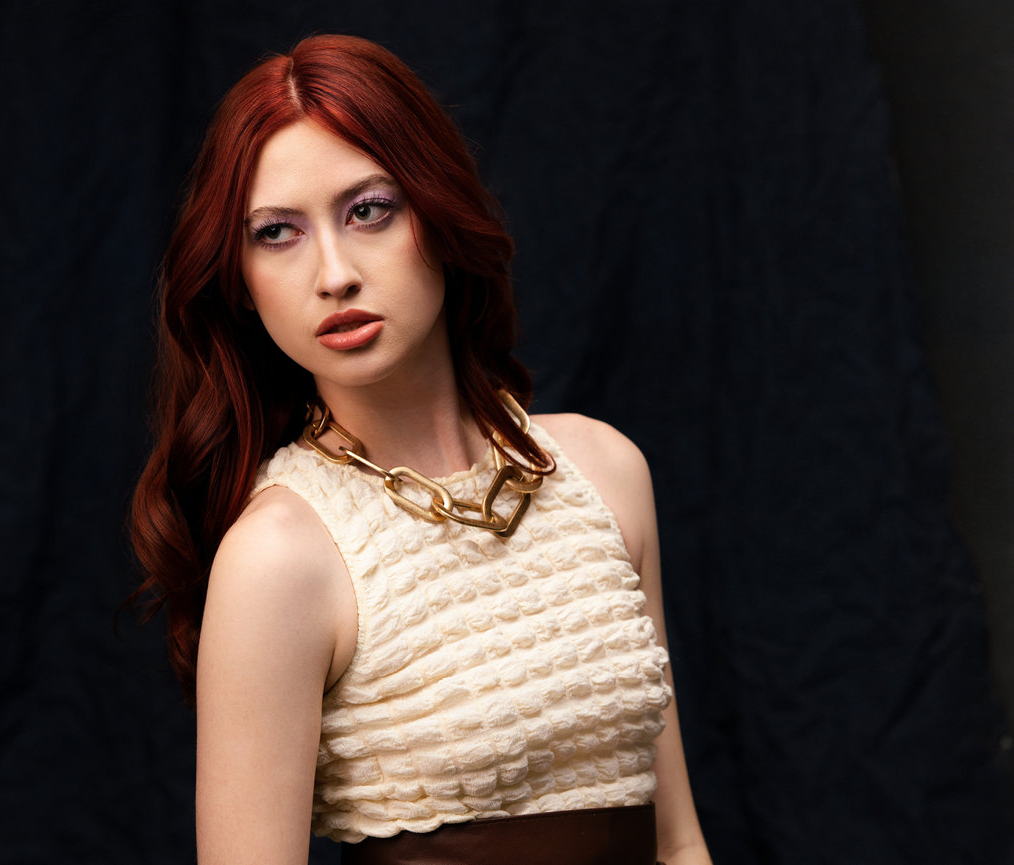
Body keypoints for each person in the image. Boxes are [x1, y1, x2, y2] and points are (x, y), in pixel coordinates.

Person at [129, 33, 713, 865]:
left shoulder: (605, 471)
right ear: (241, 284)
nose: (334, 273)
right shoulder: (282, 556)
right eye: (278, 233)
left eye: (369, 210)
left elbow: (679, 841)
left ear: (438, 213)